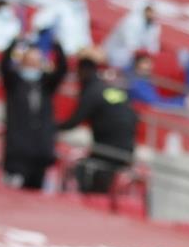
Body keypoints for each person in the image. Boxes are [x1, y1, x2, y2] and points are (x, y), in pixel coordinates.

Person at [59, 54, 139, 193]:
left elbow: (74, 121)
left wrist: (51, 127)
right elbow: (133, 117)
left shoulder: (92, 91)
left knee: (82, 168)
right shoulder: (111, 89)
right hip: (128, 148)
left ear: (83, 71)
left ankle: (91, 200)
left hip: (109, 150)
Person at [0, 38, 68, 190]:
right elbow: (4, 65)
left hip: (40, 152)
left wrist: (57, 47)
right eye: (29, 61)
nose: (32, 65)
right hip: (18, 151)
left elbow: (62, 70)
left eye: (36, 61)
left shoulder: (45, 85)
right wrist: (13, 43)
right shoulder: (14, 82)